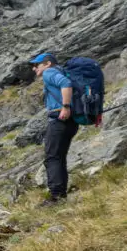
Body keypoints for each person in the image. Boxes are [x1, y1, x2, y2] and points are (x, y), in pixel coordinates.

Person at [30, 52, 78, 206]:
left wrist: (65, 107)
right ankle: (60, 194)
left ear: (48, 63)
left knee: (52, 157)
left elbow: (66, 84)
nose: (34, 68)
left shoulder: (50, 72)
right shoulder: (59, 71)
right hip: (71, 121)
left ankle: (56, 196)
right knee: (59, 157)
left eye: (37, 64)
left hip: (59, 119)